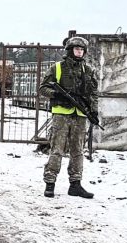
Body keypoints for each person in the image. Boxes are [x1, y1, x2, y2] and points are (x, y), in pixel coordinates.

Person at [38, 36, 99, 199]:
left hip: (80, 115)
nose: (79, 52)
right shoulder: (57, 68)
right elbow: (43, 88)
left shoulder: (89, 70)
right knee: (57, 149)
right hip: (61, 115)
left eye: (82, 50)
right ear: (70, 50)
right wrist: (56, 94)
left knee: (78, 151)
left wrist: (94, 112)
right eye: (76, 49)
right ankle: (50, 183)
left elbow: (93, 94)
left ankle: (75, 184)